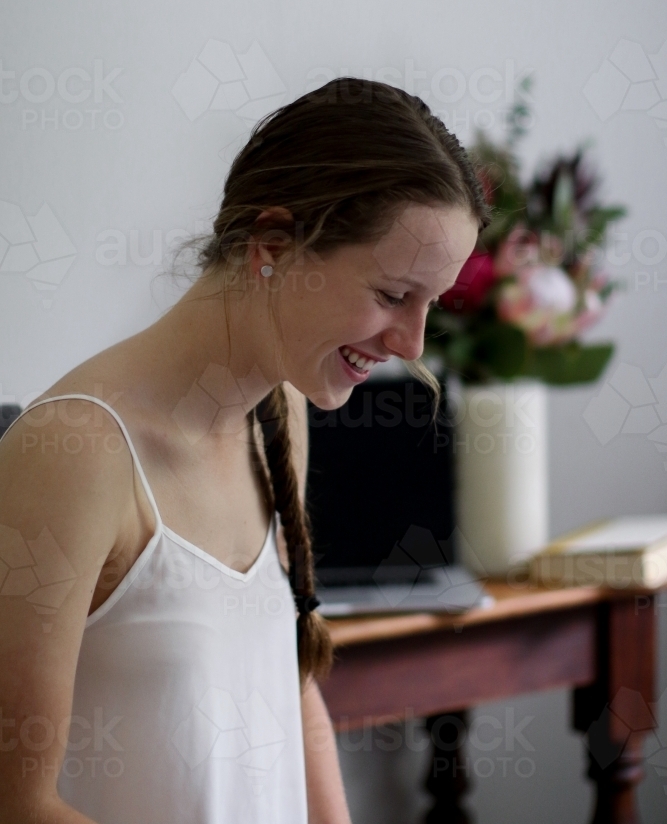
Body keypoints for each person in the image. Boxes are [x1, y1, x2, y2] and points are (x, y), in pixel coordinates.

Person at [0, 78, 488, 824]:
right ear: (270, 246)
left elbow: (287, 684)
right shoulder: (73, 456)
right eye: (392, 295)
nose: (411, 345)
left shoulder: (278, 410)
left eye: (431, 304)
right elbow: (15, 804)